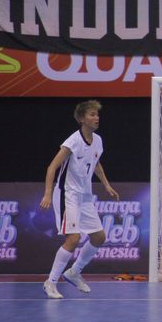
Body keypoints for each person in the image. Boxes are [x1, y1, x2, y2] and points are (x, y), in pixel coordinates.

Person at [39, 100, 119, 300]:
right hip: (68, 195)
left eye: (97, 115)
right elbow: (52, 167)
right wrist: (48, 193)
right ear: (82, 119)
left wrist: (107, 185)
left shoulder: (98, 140)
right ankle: (51, 282)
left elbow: (96, 163)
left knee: (99, 237)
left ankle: (74, 272)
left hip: (85, 196)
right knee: (73, 239)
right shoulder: (73, 141)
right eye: (92, 115)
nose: (96, 118)